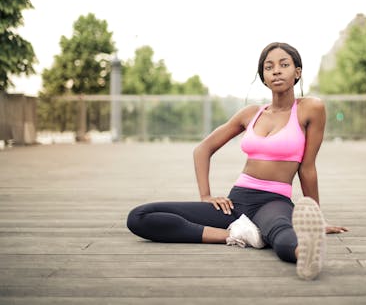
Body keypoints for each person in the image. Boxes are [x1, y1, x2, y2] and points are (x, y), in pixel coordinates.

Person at [127, 42, 348, 280]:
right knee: (139, 217)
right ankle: (236, 235)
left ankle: (304, 254)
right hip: (236, 202)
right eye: (268, 66)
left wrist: (315, 216)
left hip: (274, 201)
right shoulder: (251, 114)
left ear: (297, 72)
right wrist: (206, 196)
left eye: (284, 64)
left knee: (281, 233)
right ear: (263, 76)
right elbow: (203, 149)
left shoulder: (310, 109)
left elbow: (307, 168)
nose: (276, 70)